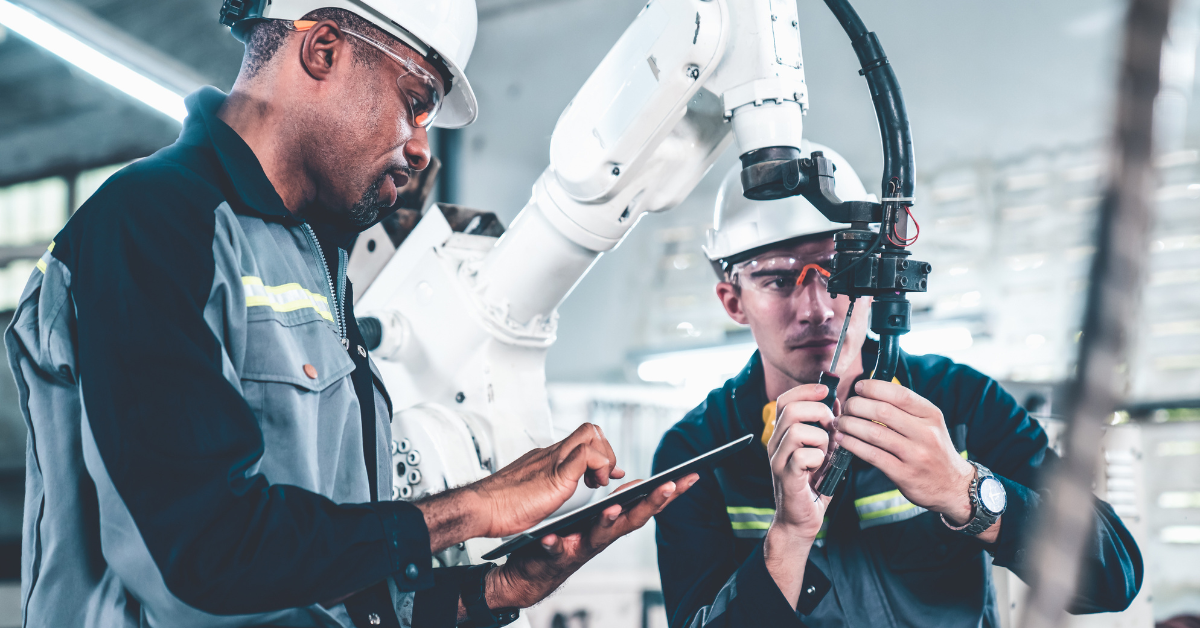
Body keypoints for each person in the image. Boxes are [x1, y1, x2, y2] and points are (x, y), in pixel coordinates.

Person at [4, 2, 696, 627]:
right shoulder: (155, 224)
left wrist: (493, 590)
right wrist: (470, 508)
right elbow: (209, 551)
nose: (421, 148)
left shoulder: (316, 259)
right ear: (325, 50)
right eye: (415, 101)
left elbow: (323, 583)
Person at [651, 150, 1143, 627]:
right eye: (779, 281)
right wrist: (788, 538)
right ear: (733, 301)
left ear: (876, 279)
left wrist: (963, 491)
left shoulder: (960, 402)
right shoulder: (696, 453)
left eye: (837, 273)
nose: (816, 308)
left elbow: (1114, 575)